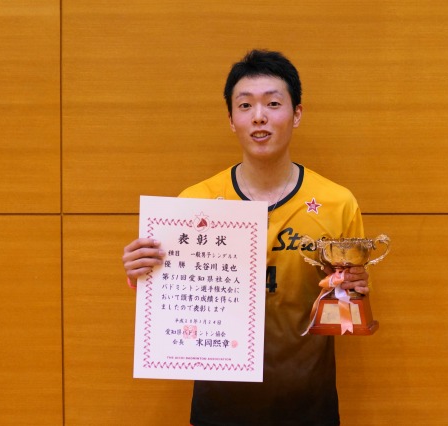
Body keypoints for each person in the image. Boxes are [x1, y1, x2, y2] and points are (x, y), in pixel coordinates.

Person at [122, 49, 371, 426]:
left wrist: (353, 293)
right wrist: (142, 272)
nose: (259, 116)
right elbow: (173, 299)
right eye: (245, 105)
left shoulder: (338, 204)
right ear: (231, 119)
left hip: (308, 403)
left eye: (273, 103)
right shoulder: (194, 203)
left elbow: (346, 310)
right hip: (220, 407)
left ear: (297, 114)